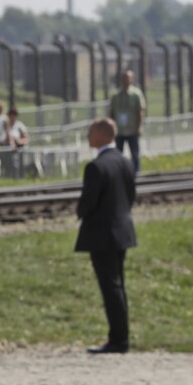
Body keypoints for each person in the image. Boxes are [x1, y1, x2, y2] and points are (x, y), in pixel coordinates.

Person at [75, 118, 136, 354]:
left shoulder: (96, 167)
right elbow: (130, 196)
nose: (88, 136)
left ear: (102, 135)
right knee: (118, 286)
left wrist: (80, 211)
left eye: (91, 132)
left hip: (102, 234)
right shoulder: (124, 161)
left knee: (110, 288)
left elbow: (88, 203)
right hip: (122, 231)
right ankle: (121, 336)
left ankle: (118, 340)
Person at [108, 70, 146, 173]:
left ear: (132, 79)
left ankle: (136, 172)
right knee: (117, 153)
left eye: (128, 78)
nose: (126, 80)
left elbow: (141, 111)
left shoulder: (136, 94)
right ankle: (118, 172)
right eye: (125, 78)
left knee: (135, 153)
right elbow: (111, 114)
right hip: (119, 130)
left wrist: (139, 127)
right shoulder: (116, 95)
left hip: (132, 129)